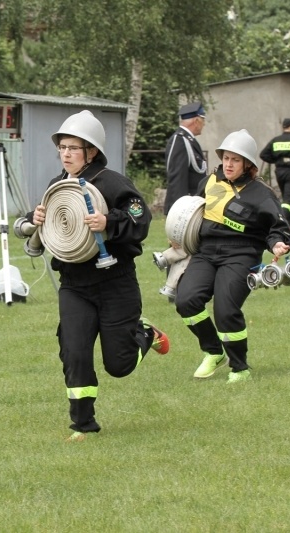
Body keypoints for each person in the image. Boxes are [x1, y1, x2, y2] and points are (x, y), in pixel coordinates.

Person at [24, 110, 170, 441]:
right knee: (74, 351)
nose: (65, 153)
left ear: (91, 151)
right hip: (74, 285)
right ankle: (83, 424)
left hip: (115, 283)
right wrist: (34, 217)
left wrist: (109, 222)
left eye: (73, 148)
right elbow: (49, 223)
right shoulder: (57, 185)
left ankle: (144, 334)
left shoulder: (114, 182)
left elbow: (140, 216)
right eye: (62, 147)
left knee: (119, 365)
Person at [175, 129, 290, 383]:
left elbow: (277, 228)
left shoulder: (261, 193)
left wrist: (278, 244)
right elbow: (191, 212)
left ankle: (239, 368)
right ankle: (213, 351)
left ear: (247, 164)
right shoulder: (209, 181)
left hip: (241, 254)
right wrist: (178, 231)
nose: (228, 164)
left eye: (235, 160)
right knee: (186, 300)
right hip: (206, 252)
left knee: (226, 310)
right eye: (226, 158)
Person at [259, 118, 290, 230]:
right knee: (288, 200)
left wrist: (277, 161)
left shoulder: (276, 140)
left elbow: (263, 154)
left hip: (279, 171)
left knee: (287, 198)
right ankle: (282, 225)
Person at [163, 101, 208, 215]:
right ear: (196, 121)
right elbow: (177, 178)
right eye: (203, 120)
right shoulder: (180, 141)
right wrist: (180, 210)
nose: (204, 124)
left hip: (193, 205)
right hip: (184, 209)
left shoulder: (189, 140)